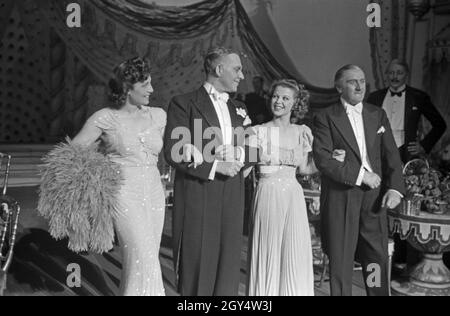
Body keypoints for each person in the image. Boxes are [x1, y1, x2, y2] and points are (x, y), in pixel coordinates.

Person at [39, 57, 167, 296]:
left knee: (147, 255)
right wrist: (98, 158)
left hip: (154, 191)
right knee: (142, 254)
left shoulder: (158, 116)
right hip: (123, 192)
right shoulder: (105, 118)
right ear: (128, 88)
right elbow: (69, 154)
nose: (152, 89)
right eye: (146, 84)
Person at [164, 47, 258, 296]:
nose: (241, 76)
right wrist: (216, 165)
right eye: (236, 69)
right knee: (197, 264)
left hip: (233, 195)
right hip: (200, 193)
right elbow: (174, 150)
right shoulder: (184, 104)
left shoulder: (240, 108)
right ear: (218, 69)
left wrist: (238, 154)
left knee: (228, 266)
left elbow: (255, 149)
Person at [312, 65, 405, 296]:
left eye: (362, 81)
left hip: (373, 199)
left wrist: (395, 188)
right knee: (341, 259)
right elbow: (324, 160)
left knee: (375, 257)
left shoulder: (377, 114)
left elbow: (391, 155)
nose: (359, 85)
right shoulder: (325, 117)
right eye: (352, 81)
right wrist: (362, 175)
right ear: (339, 87)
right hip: (341, 196)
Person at [247, 79, 317, 296]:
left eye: (285, 98)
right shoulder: (256, 131)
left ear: (295, 103)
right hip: (268, 194)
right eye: (276, 96)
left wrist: (329, 160)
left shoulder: (302, 131)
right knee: (269, 252)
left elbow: (304, 168)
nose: (278, 101)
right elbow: (245, 168)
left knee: (293, 252)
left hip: (293, 196)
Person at [367, 59, 447, 163]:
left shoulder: (418, 97)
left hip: (405, 152)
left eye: (399, 73)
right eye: (391, 73)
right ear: (386, 74)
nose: (395, 77)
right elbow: (365, 124)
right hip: (379, 151)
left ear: (406, 74)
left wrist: (424, 145)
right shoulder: (374, 97)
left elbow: (440, 125)